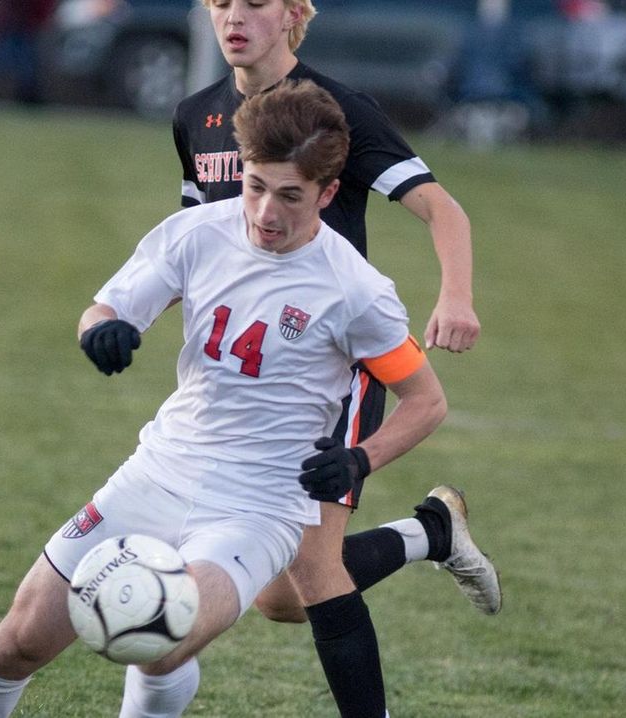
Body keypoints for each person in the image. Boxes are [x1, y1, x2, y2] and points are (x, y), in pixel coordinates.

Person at [0, 79, 449, 718]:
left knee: (161, 641)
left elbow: (425, 401)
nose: (267, 213)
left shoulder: (357, 289)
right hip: (158, 471)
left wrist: (361, 460)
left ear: (328, 193)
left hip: (257, 507)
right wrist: (101, 328)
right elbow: (107, 306)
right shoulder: (194, 233)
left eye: (291, 196)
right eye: (255, 187)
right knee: (18, 641)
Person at [174, 1, 500, 715]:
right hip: (252, 381)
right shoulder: (195, 115)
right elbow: (197, 238)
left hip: (336, 367)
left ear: (293, 12)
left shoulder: (337, 112)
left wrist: (457, 296)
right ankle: (429, 532)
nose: (234, 17)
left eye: (255, 3)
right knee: (278, 598)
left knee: (315, 571)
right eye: (221, 1)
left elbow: (444, 210)